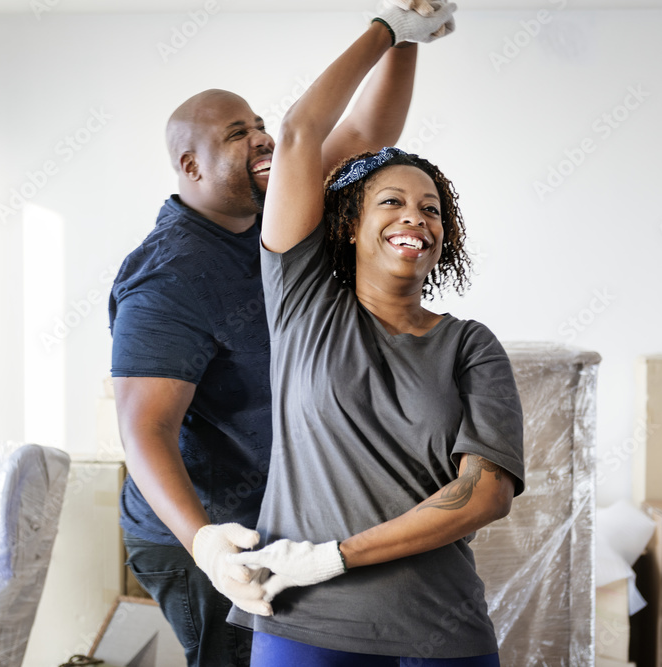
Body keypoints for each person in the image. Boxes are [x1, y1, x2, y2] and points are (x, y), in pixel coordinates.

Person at [107, 5, 456, 666]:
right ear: (190, 165)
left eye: (262, 125)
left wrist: (410, 35)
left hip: (284, 512)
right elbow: (142, 427)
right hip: (202, 524)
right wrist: (206, 542)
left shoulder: (274, 212)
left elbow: (361, 133)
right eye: (239, 134)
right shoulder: (168, 278)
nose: (264, 139)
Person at [225, 9, 525, 666]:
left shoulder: (472, 346)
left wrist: (333, 555)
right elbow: (304, 132)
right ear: (350, 225)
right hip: (305, 629)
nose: (414, 216)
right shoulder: (303, 305)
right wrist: (393, 27)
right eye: (391, 201)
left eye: (431, 208)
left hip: (440, 633)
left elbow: (485, 493)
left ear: (444, 237)